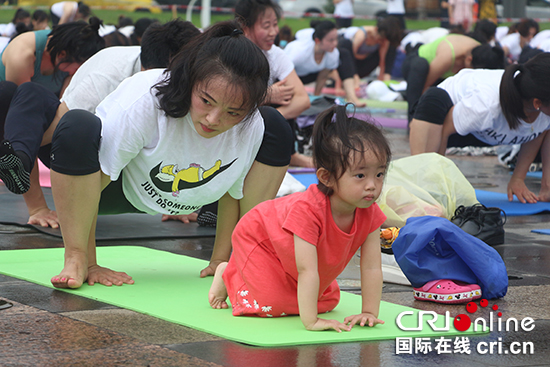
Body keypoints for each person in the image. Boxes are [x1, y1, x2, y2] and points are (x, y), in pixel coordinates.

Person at [6, 20, 290, 289]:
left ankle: (245, 255)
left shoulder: (251, 124)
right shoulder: (146, 96)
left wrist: (221, 261)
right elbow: (100, 176)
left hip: (191, 194)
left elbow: (233, 193)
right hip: (111, 189)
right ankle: (77, 259)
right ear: (190, 81)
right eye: (206, 101)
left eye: (233, 113)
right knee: (77, 125)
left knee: (275, 125)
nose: (214, 119)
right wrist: (87, 260)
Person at [0, 20, 201, 229]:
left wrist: (177, 203)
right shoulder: (107, 74)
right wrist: (22, 157)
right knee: (21, 95)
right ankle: (20, 162)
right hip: (86, 171)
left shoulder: (196, 79)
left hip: (136, 183)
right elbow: (56, 133)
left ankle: (20, 155)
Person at [208, 104, 388, 333]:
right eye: (360, 175)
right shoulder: (309, 210)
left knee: (328, 301)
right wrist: (311, 321)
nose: (372, 185)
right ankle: (230, 273)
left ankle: (253, 279)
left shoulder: (369, 211)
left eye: (380, 174)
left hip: (291, 258)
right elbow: (307, 270)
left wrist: (369, 312)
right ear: (327, 177)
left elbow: (372, 266)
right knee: (268, 305)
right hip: (261, 239)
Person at [409, 53, 550, 204]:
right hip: (439, 119)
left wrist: (520, 179)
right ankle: (422, 185)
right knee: (434, 99)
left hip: (485, 130)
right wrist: (439, 183)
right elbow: (445, 130)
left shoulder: (541, 109)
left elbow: (537, 131)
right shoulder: (486, 105)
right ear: (537, 103)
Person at [235, 0, 313, 168]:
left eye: (275, 24)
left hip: (259, 119)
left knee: (287, 93)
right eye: (266, 26)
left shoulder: (275, 54)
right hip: (233, 119)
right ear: (245, 27)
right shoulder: (231, 53)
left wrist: (271, 121)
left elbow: (302, 99)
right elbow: (228, 99)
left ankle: (290, 154)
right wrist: (265, 95)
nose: (273, 32)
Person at [0, 17, 105, 137]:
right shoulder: (21, 56)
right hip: (9, 110)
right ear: (62, 54)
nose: (78, 72)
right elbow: (22, 111)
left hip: (42, 111)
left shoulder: (72, 60)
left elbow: (65, 107)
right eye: (77, 69)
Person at [401, 34, 504, 121]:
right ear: (468, 60)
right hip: (416, 68)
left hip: (442, 77)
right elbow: (424, 88)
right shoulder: (448, 57)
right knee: (421, 68)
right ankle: (413, 120)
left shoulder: (484, 54)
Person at [284, 20, 364, 107]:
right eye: (331, 40)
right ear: (318, 41)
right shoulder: (298, 53)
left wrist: (315, 98)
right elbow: (283, 73)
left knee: (344, 54)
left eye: (336, 39)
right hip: (288, 76)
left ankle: (351, 97)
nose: (335, 43)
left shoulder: (333, 53)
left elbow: (323, 76)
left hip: (309, 75)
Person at [338, 16, 403, 82]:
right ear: (375, 29)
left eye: (382, 40)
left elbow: (382, 62)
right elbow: (349, 59)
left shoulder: (384, 41)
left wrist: (380, 81)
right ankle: (352, 79)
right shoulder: (361, 35)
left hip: (362, 64)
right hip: (347, 63)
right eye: (379, 39)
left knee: (390, 48)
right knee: (346, 46)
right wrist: (355, 79)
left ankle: (386, 78)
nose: (380, 42)